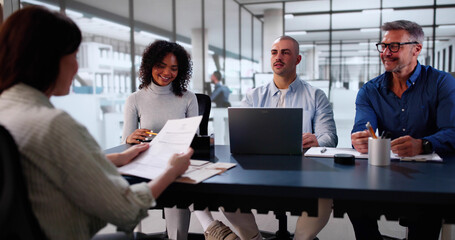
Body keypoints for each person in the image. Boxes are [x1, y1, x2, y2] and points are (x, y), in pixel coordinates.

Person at [0, 6, 192, 240]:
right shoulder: (54, 125)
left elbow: (56, 163)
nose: (77, 67)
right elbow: (126, 210)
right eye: (73, 56)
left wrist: (113, 158)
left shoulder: (7, 110)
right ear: (48, 59)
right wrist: (172, 171)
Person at [211, 36, 338, 240]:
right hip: (258, 169)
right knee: (227, 192)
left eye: (285, 52)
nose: (278, 57)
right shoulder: (253, 96)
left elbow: (329, 136)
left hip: (303, 169)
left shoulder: (316, 95)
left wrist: (318, 141)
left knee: (324, 196)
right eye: (274, 52)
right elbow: (239, 135)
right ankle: (252, 238)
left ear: (297, 60)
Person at [121, 40, 237, 240]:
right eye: (161, 66)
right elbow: (126, 142)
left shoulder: (188, 97)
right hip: (148, 163)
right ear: (150, 66)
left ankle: (186, 234)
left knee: (179, 177)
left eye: (174, 68)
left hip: (179, 162)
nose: (167, 72)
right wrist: (131, 137)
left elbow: (195, 139)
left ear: (180, 70)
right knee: (179, 178)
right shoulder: (135, 99)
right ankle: (210, 226)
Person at [350, 20, 455, 240]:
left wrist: (423, 144)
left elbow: (452, 130)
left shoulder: (441, 83)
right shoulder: (370, 90)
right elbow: (362, 127)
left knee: (427, 211)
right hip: (388, 169)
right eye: (383, 46)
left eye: (394, 46)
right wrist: (360, 139)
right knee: (351, 197)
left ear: (417, 48)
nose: (386, 53)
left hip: (432, 173)